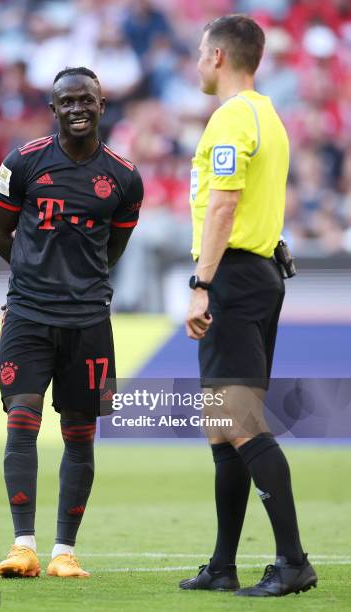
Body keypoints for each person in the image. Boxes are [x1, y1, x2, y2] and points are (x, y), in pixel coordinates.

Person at [0, 67, 143, 578]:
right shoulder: (23, 162)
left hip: (89, 322)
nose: (78, 108)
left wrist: (79, 283)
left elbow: (113, 247)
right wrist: (36, 279)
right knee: (21, 422)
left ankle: (64, 553)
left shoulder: (124, 177)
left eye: (88, 100)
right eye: (67, 101)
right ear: (53, 110)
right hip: (28, 317)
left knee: (80, 435)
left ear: (102, 106)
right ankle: (22, 546)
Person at [181, 16, 317, 597]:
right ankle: (223, 564)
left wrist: (201, 282)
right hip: (259, 273)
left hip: (233, 278)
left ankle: (292, 562)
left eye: (197, 54)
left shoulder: (233, 117)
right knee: (222, 427)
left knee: (239, 422)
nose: (195, 63)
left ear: (216, 56)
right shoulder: (269, 115)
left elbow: (223, 206)